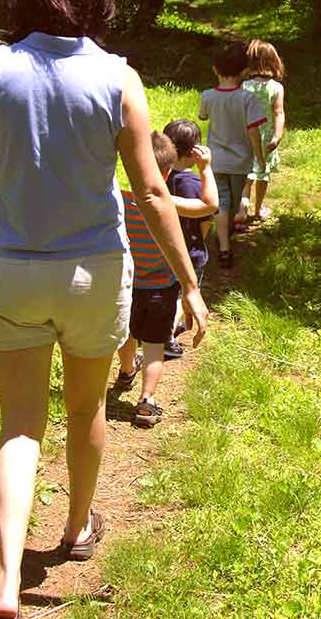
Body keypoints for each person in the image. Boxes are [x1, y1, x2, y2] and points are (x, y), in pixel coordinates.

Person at [0, 0, 207, 619]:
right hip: (93, 271)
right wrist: (192, 284)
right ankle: (76, 527)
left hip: (13, 270)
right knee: (85, 408)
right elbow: (149, 191)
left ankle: (3, 582)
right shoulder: (119, 77)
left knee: (19, 423)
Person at [117, 131, 217, 427]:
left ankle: (125, 372)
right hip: (161, 287)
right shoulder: (168, 203)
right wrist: (206, 168)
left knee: (126, 334)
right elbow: (209, 205)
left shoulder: (119, 202)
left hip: (127, 285)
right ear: (168, 170)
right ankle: (146, 401)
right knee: (153, 345)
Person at [198, 41, 267, 269]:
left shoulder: (208, 95)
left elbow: (202, 116)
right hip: (240, 161)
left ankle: (223, 245)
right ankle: (226, 244)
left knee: (222, 202)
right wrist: (260, 158)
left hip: (215, 159)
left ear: (215, 70)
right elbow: (254, 132)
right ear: (245, 71)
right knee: (235, 201)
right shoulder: (248, 99)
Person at [162, 119, 213, 358]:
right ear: (195, 152)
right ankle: (167, 338)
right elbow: (206, 219)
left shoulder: (161, 178)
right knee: (184, 293)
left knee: (168, 291)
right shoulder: (193, 182)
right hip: (189, 250)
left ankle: (163, 328)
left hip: (163, 247)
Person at [235, 40, 285, 224]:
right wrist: (277, 136)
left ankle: (241, 212)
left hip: (246, 136)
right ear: (273, 62)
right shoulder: (276, 88)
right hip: (265, 139)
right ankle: (258, 210)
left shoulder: (244, 86)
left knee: (247, 178)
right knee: (263, 176)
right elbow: (278, 112)